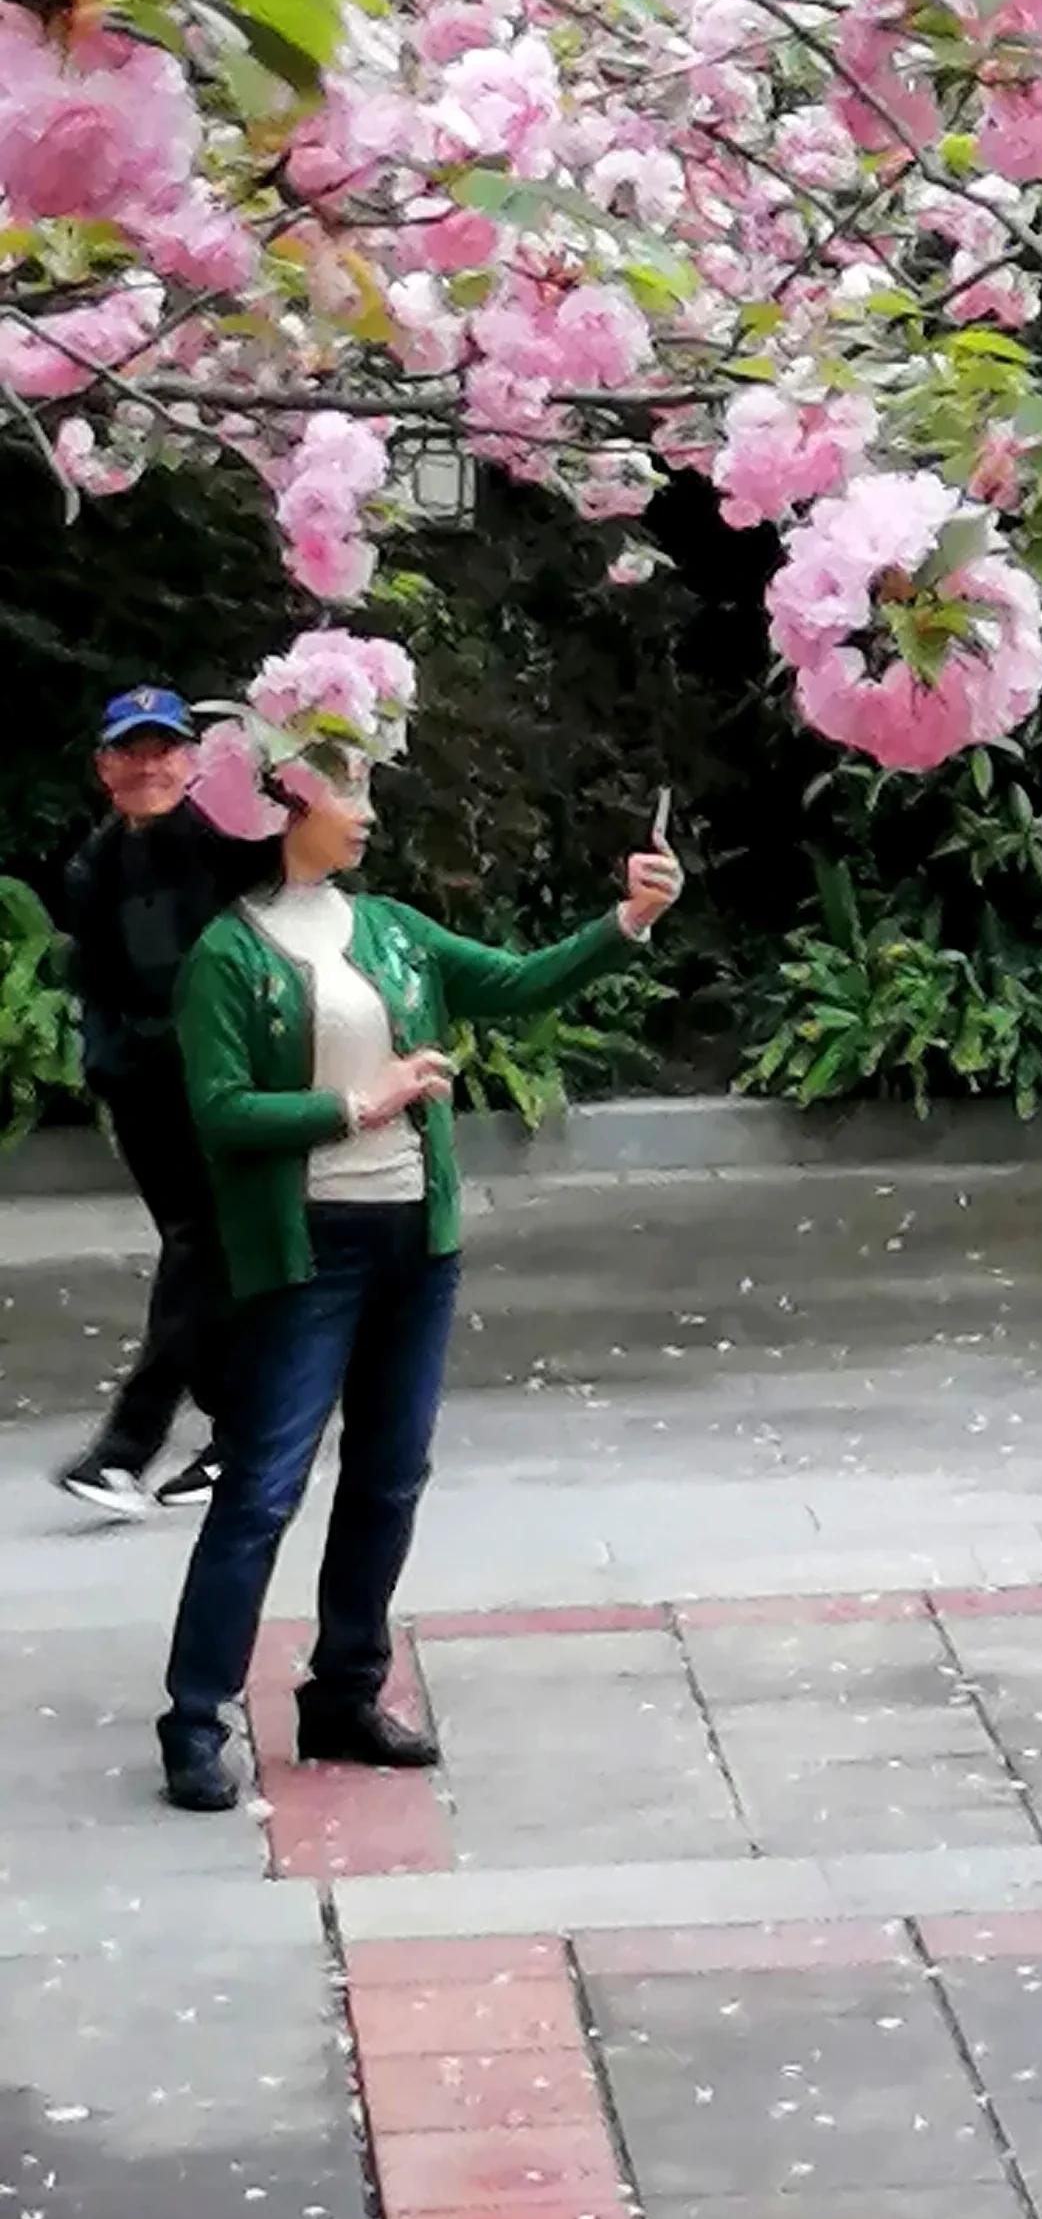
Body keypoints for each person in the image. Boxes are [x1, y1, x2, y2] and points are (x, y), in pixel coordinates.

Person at [155, 639, 678, 1815]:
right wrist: (364, 1099)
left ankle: (344, 1694)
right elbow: (222, 1115)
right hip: (307, 1255)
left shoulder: (389, 928)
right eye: (354, 791)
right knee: (263, 1488)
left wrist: (626, 920)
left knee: (390, 1479)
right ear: (289, 800)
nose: (370, 813)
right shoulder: (229, 958)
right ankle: (194, 1720)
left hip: (413, 1244)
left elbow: (522, 981)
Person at [53, 686, 280, 1519]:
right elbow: (100, 982)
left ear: (195, 761)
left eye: (167, 748)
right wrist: (110, 1066)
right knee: (203, 1251)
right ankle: (241, 1436)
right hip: (144, 1088)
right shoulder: (93, 865)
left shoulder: (229, 839)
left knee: (201, 1248)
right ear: (105, 766)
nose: (150, 764)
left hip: (225, 1083)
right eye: (132, 750)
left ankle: (128, 1445)